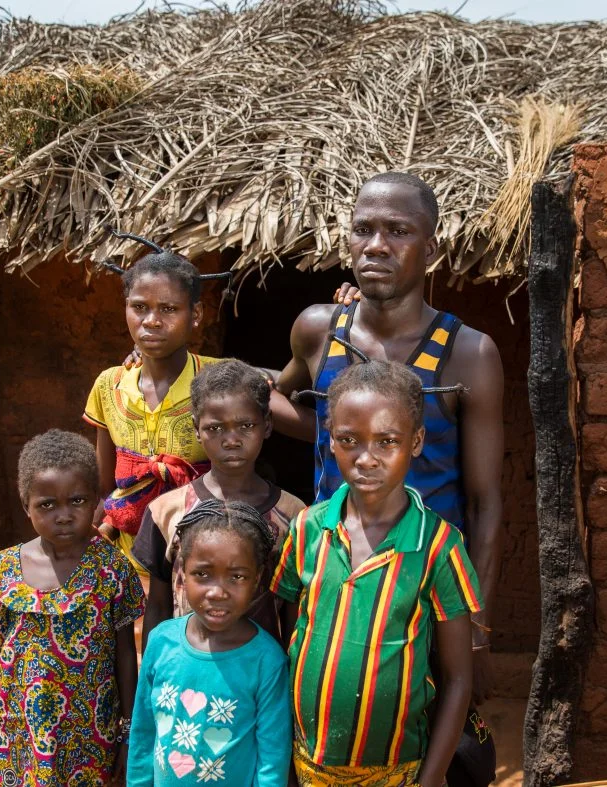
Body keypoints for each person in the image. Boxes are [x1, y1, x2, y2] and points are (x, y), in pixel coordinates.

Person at [272, 172, 504, 711]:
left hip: (426, 596)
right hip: (333, 579)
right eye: (363, 229)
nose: (376, 245)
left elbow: (485, 504)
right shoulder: (317, 331)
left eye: (398, 231)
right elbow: (268, 396)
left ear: (432, 248)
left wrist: (477, 629)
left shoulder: (468, 354)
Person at [272, 360, 482, 787]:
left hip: (397, 773)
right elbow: (294, 640)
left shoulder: (439, 546)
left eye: (387, 441)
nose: (366, 458)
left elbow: (459, 678)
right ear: (331, 442)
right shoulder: (308, 528)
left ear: (416, 441)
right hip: (306, 766)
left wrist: (429, 781)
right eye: (349, 440)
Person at [0, 429, 144, 786]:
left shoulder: (112, 568)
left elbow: (126, 656)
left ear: (97, 501)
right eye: (47, 505)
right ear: (26, 507)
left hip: (92, 738)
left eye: (78, 501)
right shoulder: (1, 570)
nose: (63, 515)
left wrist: (128, 736)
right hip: (19, 738)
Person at [132, 359, 305, 644]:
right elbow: (159, 606)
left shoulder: (295, 515)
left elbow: (291, 612)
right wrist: (154, 670)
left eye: (246, 425)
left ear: (268, 426)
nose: (231, 440)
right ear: (196, 428)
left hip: (259, 679)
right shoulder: (167, 511)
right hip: (183, 675)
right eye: (215, 428)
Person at [128, 499, 292, 786]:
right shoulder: (161, 642)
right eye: (202, 574)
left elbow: (272, 759)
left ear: (256, 582)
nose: (217, 592)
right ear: (182, 575)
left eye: (237, 577)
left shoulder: (267, 660)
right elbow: (144, 733)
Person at [83, 251, 221, 569]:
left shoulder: (219, 380)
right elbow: (106, 486)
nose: (152, 321)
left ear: (196, 313)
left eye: (169, 309)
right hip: (126, 563)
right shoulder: (110, 385)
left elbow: (279, 388)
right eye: (139, 308)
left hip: (201, 560)